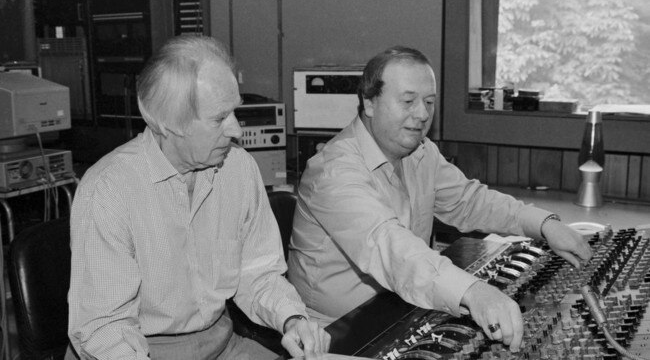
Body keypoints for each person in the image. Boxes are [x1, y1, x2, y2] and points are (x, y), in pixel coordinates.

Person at [287, 46, 593, 352]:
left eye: (429, 102)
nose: (422, 115)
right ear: (369, 102)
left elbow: (470, 201)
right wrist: (473, 292)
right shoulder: (333, 171)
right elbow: (389, 247)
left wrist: (545, 224)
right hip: (336, 333)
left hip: (402, 309)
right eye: (408, 101)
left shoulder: (421, 152)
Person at [67, 35, 330, 360]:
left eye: (234, 112)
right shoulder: (109, 189)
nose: (236, 130)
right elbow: (104, 330)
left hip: (221, 343)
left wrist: (292, 318)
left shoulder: (239, 168)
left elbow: (258, 273)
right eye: (219, 118)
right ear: (169, 122)